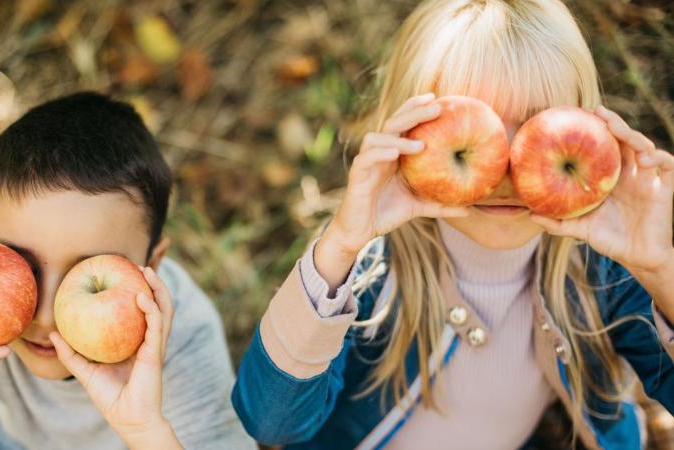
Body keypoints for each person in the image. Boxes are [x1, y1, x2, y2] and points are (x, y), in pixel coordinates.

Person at [231, 1, 674, 448]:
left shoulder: (601, 275)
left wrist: (659, 269)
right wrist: (342, 245)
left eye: (537, 126)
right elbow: (270, 424)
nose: (504, 170)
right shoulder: (364, 274)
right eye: (475, 133)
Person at [0, 92, 255, 450]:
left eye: (87, 274)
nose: (43, 317)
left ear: (152, 264)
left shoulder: (185, 338)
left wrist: (145, 430)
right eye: (21, 265)